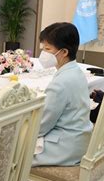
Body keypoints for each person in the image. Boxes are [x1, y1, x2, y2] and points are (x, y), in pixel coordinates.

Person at [32, 22, 93, 167]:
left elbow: (42, 125)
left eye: (47, 49)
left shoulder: (61, 83)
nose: (43, 53)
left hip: (63, 147)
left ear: (64, 52)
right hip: (78, 140)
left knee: (10, 152)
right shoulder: (76, 72)